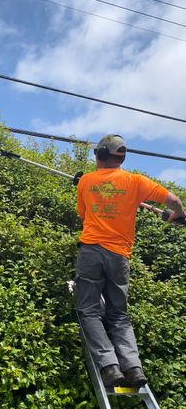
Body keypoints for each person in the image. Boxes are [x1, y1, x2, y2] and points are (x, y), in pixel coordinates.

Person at [75, 134, 185, 388]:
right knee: (119, 315)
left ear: (101, 155)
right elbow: (174, 201)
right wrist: (176, 215)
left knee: (89, 310)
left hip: (92, 251)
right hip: (120, 256)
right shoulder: (135, 181)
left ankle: (110, 367)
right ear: (121, 157)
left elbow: (83, 214)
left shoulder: (87, 181)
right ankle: (133, 368)